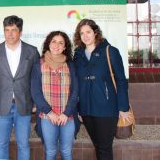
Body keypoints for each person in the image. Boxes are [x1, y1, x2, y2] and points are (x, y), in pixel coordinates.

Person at [73, 19, 131, 160]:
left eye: (88, 32)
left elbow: (121, 80)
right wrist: (78, 109)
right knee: (98, 146)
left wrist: (123, 107)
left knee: (105, 148)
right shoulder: (78, 55)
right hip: (86, 109)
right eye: (82, 33)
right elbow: (76, 84)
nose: (85, 36)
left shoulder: (110, 51)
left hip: (106, 108)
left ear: (96, 32)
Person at [0, 15, 40, 160]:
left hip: (24, 105)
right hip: (1, 106)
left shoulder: (32, 51)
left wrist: (36, 102)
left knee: (23, 144)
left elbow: (37, 80)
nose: (10, 33)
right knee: (1, 144)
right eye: (7, 30)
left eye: (13, 30)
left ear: (20, 32)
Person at [31, 31, 79, 160]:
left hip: (67, 117)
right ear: (48, 44)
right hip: (47, 116)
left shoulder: (70, 65)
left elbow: (75, 91)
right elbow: (35, 92)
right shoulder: (38, 64)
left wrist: (66, 113)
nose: (57, 45)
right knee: (51, 151)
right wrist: (50, 112)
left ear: (65, 47)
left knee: (66, 151)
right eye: (54, 41)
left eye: (61, 43)